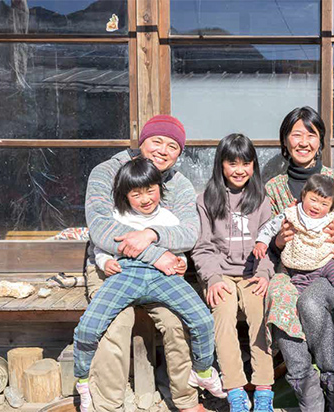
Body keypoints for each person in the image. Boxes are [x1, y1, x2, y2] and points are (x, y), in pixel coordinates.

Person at [84, 115, 215, 412]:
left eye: (172, 146)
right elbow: (102, 230)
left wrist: (152, 233)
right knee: (115, 323)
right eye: (156, 141)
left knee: (176, 322)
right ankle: (107, 405)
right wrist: (155, 252)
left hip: (163, 273)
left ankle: (186, 400)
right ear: (141, 142)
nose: (163, 150)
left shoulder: (179, 185)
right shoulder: (106, 172)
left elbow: (188, 233)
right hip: (113, 265)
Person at [263, 106, 334, 412]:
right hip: (289, 271)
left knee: (311, 303)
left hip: (328, 272)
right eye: (296, 134)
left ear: (321, 141)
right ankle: (309, 397)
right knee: (280, 301)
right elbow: (268, 241)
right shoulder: (274, 188)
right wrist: (277, 242)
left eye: (311, 134)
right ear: (285, 141)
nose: (303, 142)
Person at [191, 134, 275, 412]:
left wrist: (264, 273)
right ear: (221, 165)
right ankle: (235, 388)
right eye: (232, 163)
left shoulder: (262, 199)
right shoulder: (205, 199)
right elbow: (202, 247)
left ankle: (264, 388)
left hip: (253, 272)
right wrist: (212, 278)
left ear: (254, 165)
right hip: (220, 274)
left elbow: (270, 245)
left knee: (259, 313)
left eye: (246, 163)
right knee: (223, 314)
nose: (240, 170)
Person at [254, 174, 334, 329]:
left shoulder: (331, 217)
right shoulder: (291, 213)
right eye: (313, 200)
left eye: (324, 203)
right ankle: (298, 331)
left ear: (331, 207)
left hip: (325, 261)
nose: (317, 206)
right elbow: (270, 227)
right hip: (297, 267)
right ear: (303, 195)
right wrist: (262, 242)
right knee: (298, 299)